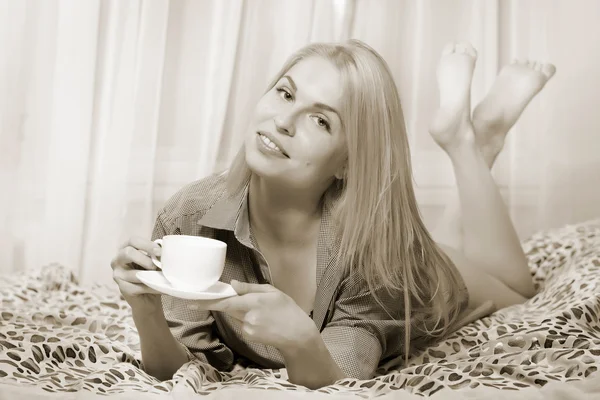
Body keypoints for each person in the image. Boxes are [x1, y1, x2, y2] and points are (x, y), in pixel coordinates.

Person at [110, 40, 555, 389]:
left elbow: (345, 378)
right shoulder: (191, 213)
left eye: (321, 121)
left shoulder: (377, 254)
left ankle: (469, 142)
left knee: (518, 288)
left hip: (425, 281)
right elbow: (177, 369)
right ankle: (477, 141)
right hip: (403, 247)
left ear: (347, 162)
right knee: (449, 241)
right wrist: (145, 311)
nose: (284, 121)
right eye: (285, 93)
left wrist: (300, 338)